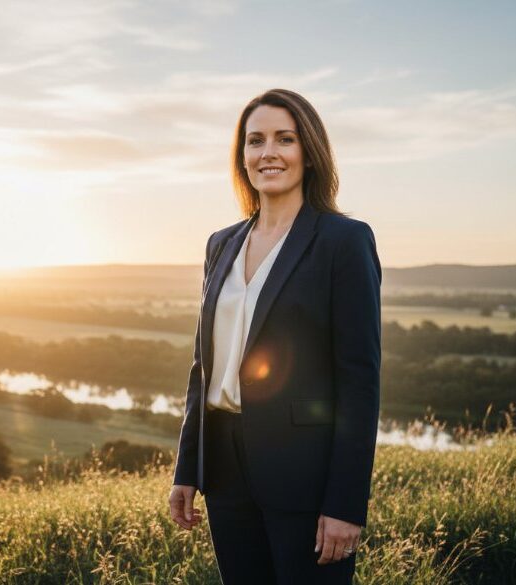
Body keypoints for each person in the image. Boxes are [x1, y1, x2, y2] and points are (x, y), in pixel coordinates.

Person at [167, 88, 381, 584]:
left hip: (304, 476)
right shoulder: (221, 243)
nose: (269, 153)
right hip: (224, 470)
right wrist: (188, 468)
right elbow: (204, 367)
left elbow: (359, 381)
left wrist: (346, 504)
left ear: (308, 153)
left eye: (285, 139)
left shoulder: (343, 242)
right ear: (241, 158)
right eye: (255, 140)